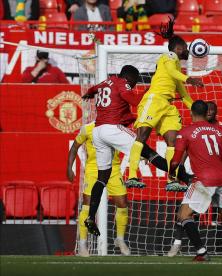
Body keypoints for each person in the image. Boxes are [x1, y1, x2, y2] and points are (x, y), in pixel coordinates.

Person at [80, 65, 189, 236]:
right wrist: (149, 92)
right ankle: (185, 178)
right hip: (112, 129)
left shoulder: (104, 82)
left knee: (102, 178)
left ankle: (90, 217)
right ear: (130, 78)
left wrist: (90, 93)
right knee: (148, 152)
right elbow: (136, 102)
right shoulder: (124, 83)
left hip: (98, 132)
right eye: (136, 82)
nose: (135, 85)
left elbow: (94, 89)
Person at [169, 100, 222, 261]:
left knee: (184, 215)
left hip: (203, 180)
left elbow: (175, 161)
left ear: (192, 113)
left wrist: (172, 173)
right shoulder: (220, 131)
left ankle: (201, 252)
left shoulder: (186, 132)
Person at [126, 17, 204, 191]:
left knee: (173, 142)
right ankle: (131, 174)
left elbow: (183, 94)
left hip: (168, 105)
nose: (188, 51)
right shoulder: (169, 56)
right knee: (142, 136)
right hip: (154, 99)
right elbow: (170, 71)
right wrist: (189, 78)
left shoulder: (176, 71)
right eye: (186, 48)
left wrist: (199, 113)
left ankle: (172, 179)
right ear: (179, 47)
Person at [67, 122, 131, 257]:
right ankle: (83, 245)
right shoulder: (87, 128)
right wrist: (69, 168)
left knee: (123, 204)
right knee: (87, 207)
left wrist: (142, 155)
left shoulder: (117, 128)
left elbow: (132, 144)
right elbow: (74, 147)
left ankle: (120, 239)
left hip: (113, 170)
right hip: (93, 171)